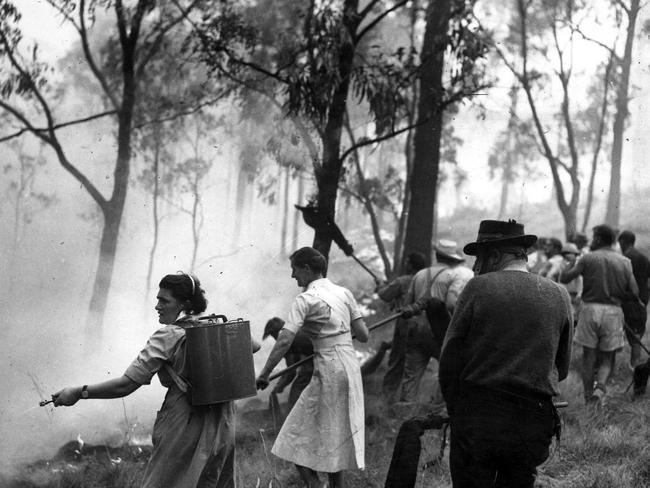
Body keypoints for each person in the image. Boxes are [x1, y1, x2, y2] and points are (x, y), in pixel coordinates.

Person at [52, 273, 258, 487]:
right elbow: (254, 345)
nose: (157, 306)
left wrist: (79, 392)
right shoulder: (214, 325)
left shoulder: (168, 336)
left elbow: (126, 385)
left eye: (164, 300)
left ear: (184, 304)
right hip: (222, 419)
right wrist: (220, 330)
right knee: (210, 481)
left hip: (186, 419)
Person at [439, 219, 573, 488]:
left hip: (480, 416)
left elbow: (449, 361)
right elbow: (563, 367)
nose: (475, 267)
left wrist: (458, 410)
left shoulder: (478, 288)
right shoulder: (559, 293)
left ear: (497, 256)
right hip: (534, 423)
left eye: (479, 259)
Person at [255, 247, 369, 488]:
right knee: (337, 432)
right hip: (349, 365)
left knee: (290, 437)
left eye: (294, 270)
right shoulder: (344, 293)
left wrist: (264, 374)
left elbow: (285, 339)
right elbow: (364, 334)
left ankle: (315, 485)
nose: (293, 276)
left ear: (306, 269)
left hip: (329, 367)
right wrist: (339, 334)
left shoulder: (305, 299)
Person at [560, 224, 638, 404]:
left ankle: (589, 398)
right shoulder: (624, 261)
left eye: (594, 237)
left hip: (589, 309)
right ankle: (600, 388)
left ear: (598, 239)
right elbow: (634, 291)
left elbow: (565, 278)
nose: (592, 240)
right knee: (607, 357)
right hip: (613, 311)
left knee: (588, 356)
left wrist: (570, 263)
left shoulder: (588, 258)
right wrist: (615, 295)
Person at [398, 240, 469, 406]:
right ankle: (437, 409)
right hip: (440, 331)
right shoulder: (456, 275)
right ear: (453, 258)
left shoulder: (420, 274)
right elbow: (451, 304)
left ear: (437, 255)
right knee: (448, 371)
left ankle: (403, 412)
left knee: (411, 376)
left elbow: (407, 305)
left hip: (416, 330)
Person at [375, 252, 427, 401]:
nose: (405, 264)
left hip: (405, 325)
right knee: (414, 364)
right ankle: (409, 399)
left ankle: (388, 397)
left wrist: (379, 286)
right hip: (423, 325)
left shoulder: (403, 281)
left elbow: (385, 295)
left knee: (397, 360)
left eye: (407, 262)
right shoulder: (427, 280)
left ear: (410, 265)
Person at [263, 317, 314, 412]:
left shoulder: (286, 339)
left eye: (273, 335)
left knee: (295, 396)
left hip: (314, 364)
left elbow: (291, 371)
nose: (274, 338)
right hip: (317, 361)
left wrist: (278, 387)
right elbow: (294, 365)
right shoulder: (296, 330)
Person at [617, 230, 650, 367]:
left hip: (626, 302)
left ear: (623, 242)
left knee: (618, 337)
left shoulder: (624, 259)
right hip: (641, 303)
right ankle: (634, 365)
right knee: (636, 336)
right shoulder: (644, 258)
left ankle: (634, 367)